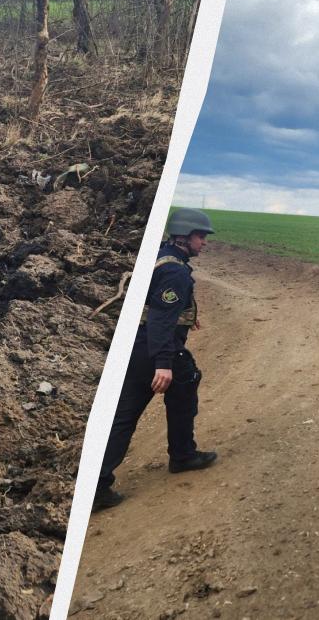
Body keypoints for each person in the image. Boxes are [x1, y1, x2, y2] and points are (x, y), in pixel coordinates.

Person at [94, 208, 219, 509]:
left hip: (139, 345)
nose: (204, 242)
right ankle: (100, 486)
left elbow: (160, 306)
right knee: (161, 395)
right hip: (153, 349)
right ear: (184, 236)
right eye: (200, 236)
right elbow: (161, 319)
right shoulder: (176, 271)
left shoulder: (164, 256)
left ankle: (181, 454)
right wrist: (163, 364)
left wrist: (187, 318)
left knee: (138, 409)